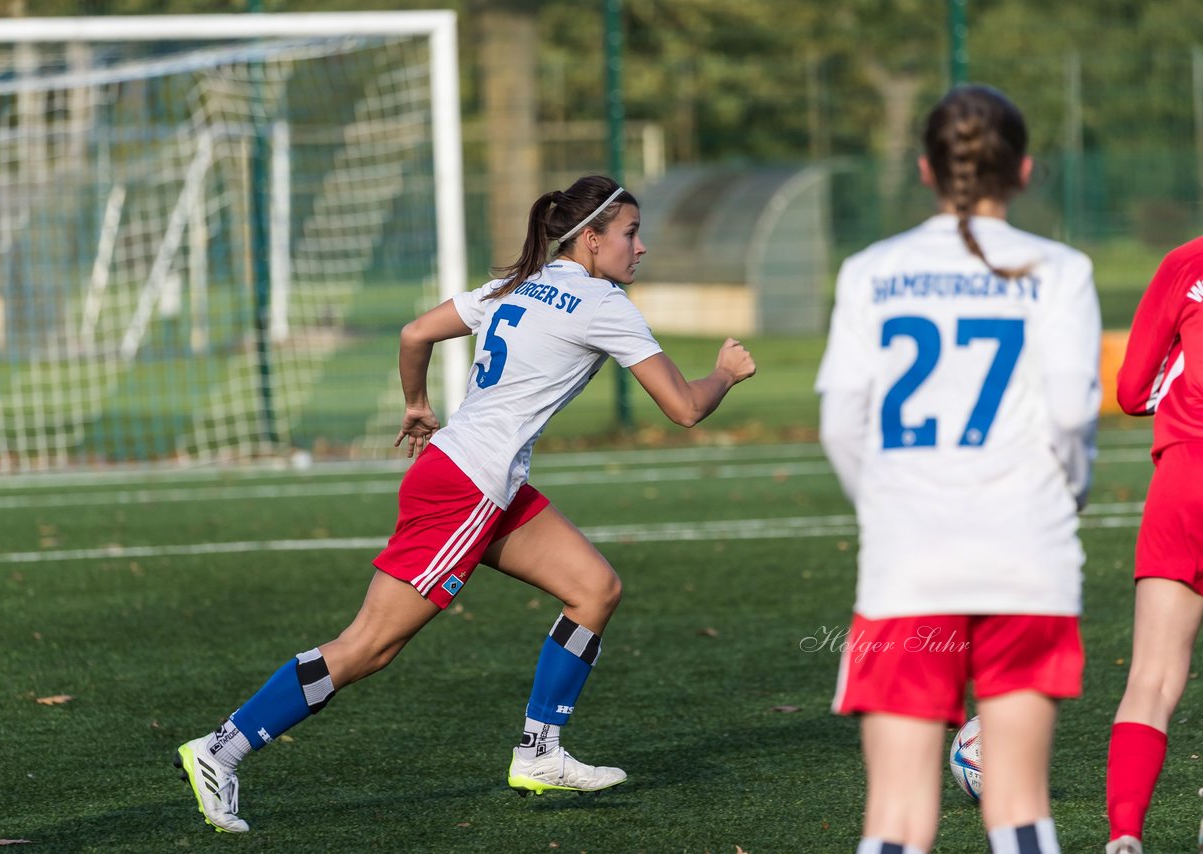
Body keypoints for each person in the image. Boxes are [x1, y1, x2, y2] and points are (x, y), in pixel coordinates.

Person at [173, 174, 756, 833]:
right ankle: (220, 748)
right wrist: (726, 375)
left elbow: (416, 332)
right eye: (629, 233)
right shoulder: (602, 302)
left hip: (475, 478)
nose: (641, 247)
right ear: (591, 240)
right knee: (368, 647)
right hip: (468, 490)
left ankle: (539, 753)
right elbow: (683, 407)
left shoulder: (515, 285)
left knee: (594, 588)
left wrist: (417, 406)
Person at [815, 85, 1101, 854]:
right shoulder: (1062, 270)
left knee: (898, 819)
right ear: (1027, 170)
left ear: (924, 169)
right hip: (1028, 556)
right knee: (1018, 807)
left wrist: (889, 508)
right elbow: (1073, 415)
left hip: (909, 561)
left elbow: (841, 423)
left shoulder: (870, 270)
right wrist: (1066, 494)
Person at [1103, 235, 1203, 854]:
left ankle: (1125, 831)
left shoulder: (1187, 260)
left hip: (1187, 477)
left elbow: (1133, 390)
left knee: (1152, 677)